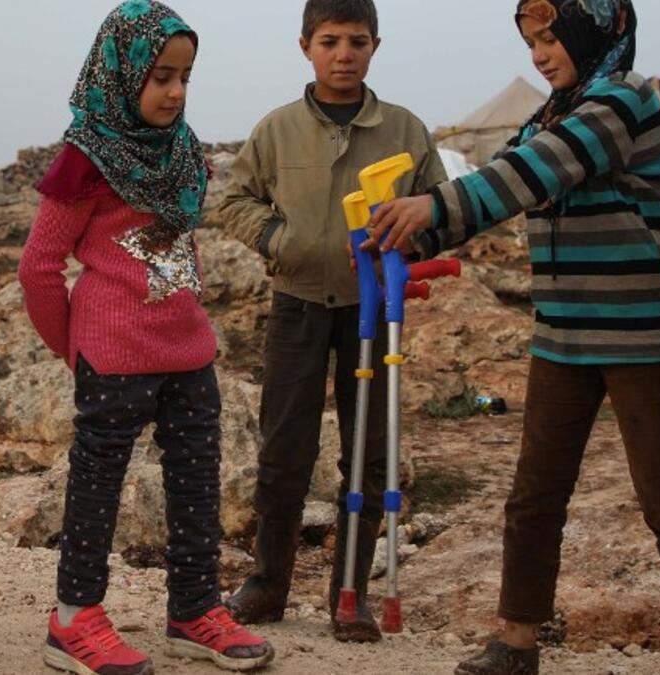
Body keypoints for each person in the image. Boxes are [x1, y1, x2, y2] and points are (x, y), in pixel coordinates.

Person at [367, 1, 660, 673]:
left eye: (550, 38)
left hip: (640, 337)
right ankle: (516, 641)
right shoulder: (550, 115)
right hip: (563, 335)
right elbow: (501, 183)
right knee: (536, 494)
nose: (540, 55)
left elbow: (535, 171)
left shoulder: (624, 100)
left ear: (591, 28)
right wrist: (410, 238)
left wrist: (433, 204)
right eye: (531, 43)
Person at [18, 2, 275, 673]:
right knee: (97, 486)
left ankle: (194, 609)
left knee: (197, 482)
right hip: (113, 355)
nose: (175, 91)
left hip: (188, 350)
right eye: (160, 77)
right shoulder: (85, 159)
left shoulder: (181, 150)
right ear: (121, 73)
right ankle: (73, 620)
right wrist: (72, 347)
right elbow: (39, 266)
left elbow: (180, 244)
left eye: (184, 77)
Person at [219, 0, 448, 642]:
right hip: (296, 304)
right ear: (306, 46)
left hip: (373, 310)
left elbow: (440, 208)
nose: (343, 54)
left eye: (356, 41)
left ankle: (350, 594)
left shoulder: (405, 129)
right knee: (283, 449)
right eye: (329, 41)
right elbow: (235, 201)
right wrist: (280, 240)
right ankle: (267, 584)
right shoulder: (277, 129)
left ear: (375, 45)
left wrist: (415, 243)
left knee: (369, 453)